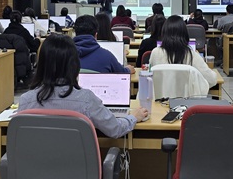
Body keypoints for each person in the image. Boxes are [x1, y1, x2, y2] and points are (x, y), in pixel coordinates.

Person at [18, 34, 147, 138]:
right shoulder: (86, 100)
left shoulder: (25, 101)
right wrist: (133, 117)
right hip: (78, 169)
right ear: (74, 65)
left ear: (41, 64)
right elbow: (116, 129)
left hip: (37, 169)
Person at [149, 16, 218, 88]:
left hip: (161, 98)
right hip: (187, 98)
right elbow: (212, 80)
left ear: (164, 33)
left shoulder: (155, 53)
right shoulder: (192, 55)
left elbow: (149, 77)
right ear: (185, 34)